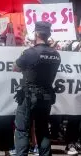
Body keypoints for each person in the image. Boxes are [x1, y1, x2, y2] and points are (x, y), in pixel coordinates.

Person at [13, 21, 61, 156]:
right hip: (46, 97)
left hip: (29, 96)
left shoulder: (30, 52)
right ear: (49, 34)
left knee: (22, 130)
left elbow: (15, 67)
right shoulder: (56, 54)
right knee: (43, 130)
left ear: (36, 33)